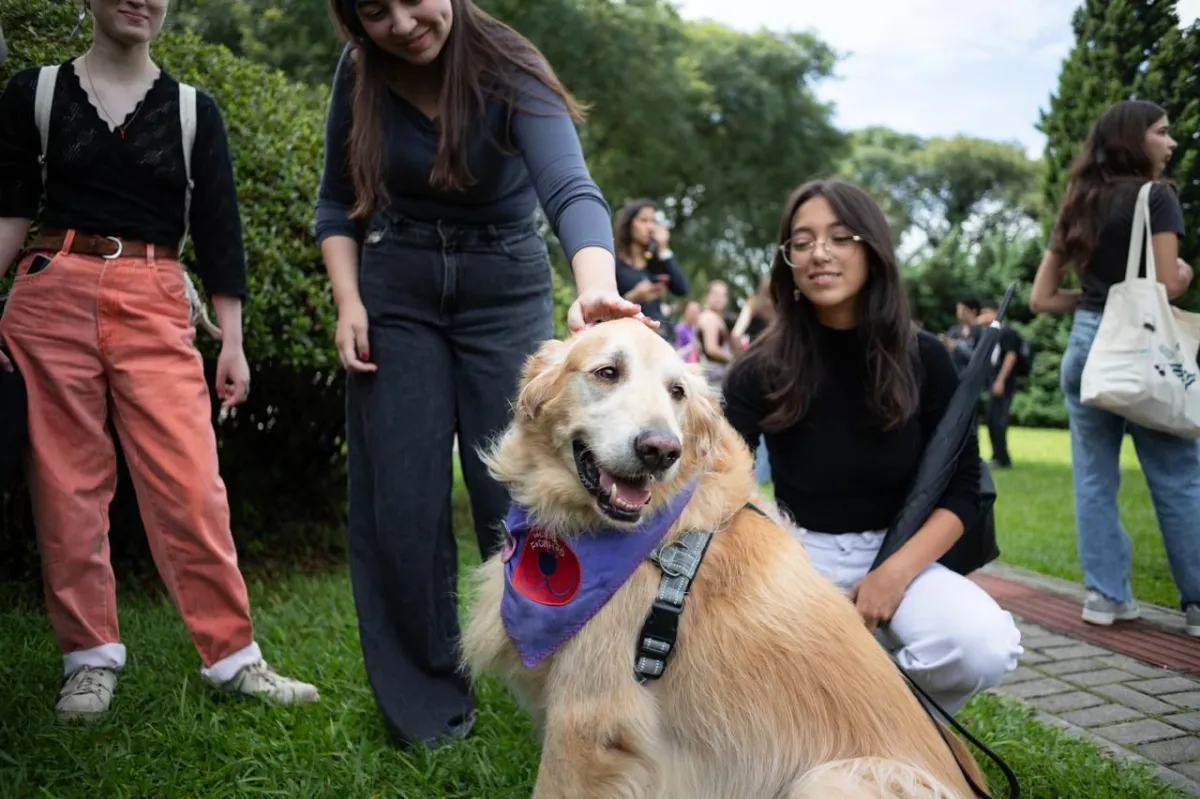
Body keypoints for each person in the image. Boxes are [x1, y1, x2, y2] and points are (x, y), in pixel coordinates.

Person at [316, 0, 648, 748]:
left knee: (527, 494)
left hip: (503, 281)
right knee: (399, 497)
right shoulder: (361, 71)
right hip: (394, 285)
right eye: (375, 11)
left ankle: (576, 680)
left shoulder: (509, 65)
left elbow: (570, 187)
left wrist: (595, 287)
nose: (402, 22)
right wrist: (349, 303)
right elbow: (337, 202)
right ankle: (428, 709)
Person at [0, 0, 319, 721]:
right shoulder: (36, 92)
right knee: (66, 484)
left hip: (155, 295)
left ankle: (234, 658)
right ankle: (88, 661)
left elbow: (218, 227)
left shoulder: (192, 111)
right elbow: (11, 208)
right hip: (52, 290)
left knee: (191, 483)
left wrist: (230, 339)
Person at [723, 178, 1022, 716]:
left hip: (899, 551)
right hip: (793, 552)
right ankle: (847, 732)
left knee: (981, 645)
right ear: (787, 258)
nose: (820, 254)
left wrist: (892, 575)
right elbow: (721, 486)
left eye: (840, 237)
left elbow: (964, 488)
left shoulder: (925, 358)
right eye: (802, 240)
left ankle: (895, 735)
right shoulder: (758, 369)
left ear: (872, 250)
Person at [1030, 99, 1200, 634]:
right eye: (1162, 133)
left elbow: (1041, 298)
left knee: (1094, 479)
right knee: (1178, 475)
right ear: (1135, 139)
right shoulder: (1158, 198)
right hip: (1144, 349)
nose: (1170, 144)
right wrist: (1187, 272)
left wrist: (1096, 298)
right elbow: (1168, 284)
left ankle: (1105, 597)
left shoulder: (1078, 204)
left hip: (1087, 348)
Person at [613, 198, 689, 341]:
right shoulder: (615, 264)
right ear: (629, 224)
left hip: (660, 337)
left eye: (653, 221)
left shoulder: (656, 264)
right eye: (644, 220)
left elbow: (682, 289)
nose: (650, 227)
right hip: (628, 338)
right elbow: (604, 310)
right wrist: (634, 298)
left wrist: (664, 249)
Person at [975, 299, 1020, 469]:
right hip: (994, 380)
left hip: (1004, 382)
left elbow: (1011, 356)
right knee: (991, 418)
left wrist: (1001, 380)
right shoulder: (990, 333)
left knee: (998, 420)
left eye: (985, 313)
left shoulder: (1006, 332)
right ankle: (997, 455)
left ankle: (1003, 458)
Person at [695, 279, 733, 390]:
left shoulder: (715, 317)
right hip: (712, 374)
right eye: (715, 294)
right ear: (707, 295)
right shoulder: (709, 317)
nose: (719, 298)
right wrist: (734, 360)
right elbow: (711, 349)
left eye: (723, 295)